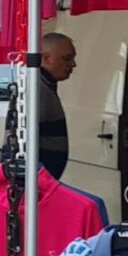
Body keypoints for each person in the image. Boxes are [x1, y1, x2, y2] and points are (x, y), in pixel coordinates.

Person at [38, 32, 75, 180]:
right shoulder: (38, 89)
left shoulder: (44, 86)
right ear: (46, 58)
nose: (73, 64)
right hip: (38, 180)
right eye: (67, 58)